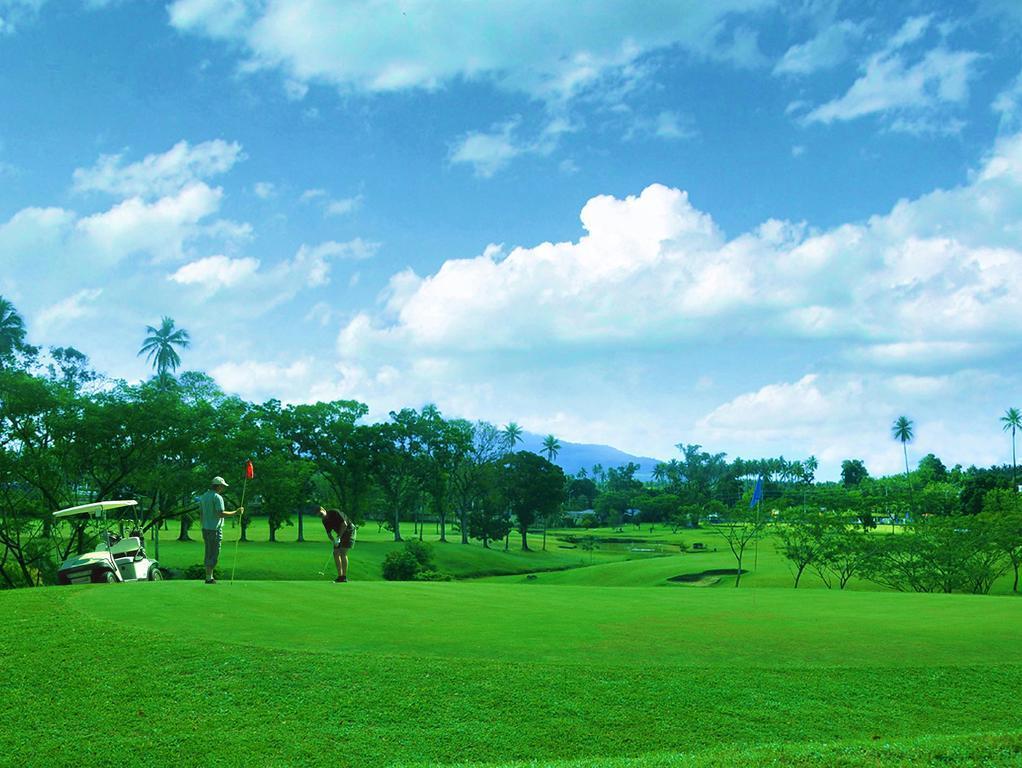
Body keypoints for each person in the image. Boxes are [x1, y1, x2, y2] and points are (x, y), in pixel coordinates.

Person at [197, 476, 244, 584]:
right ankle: (209, 578)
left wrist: (203, 524)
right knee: (214, 553)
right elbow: (220, 513)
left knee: (209, 552)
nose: (223, 488)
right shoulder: (217, 497)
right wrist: (236, 513)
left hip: (206, 528)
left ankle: (209, 576)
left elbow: (201, 513)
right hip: (215, 529)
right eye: (222, 486)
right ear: (218, 486)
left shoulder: (203, 496)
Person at [315, 506, 355, 582]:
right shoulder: (324, 521)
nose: (321, 516)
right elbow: (329, 534)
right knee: (336, 552)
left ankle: (344, 576)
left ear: (323, 510)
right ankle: (340, 576)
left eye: (321, 514)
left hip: (349, 530)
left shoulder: (334, 512)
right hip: (340, 533)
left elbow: (344, 524)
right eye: (319, 516)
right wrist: (334, 541)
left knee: (343, 552)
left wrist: (338, 537)